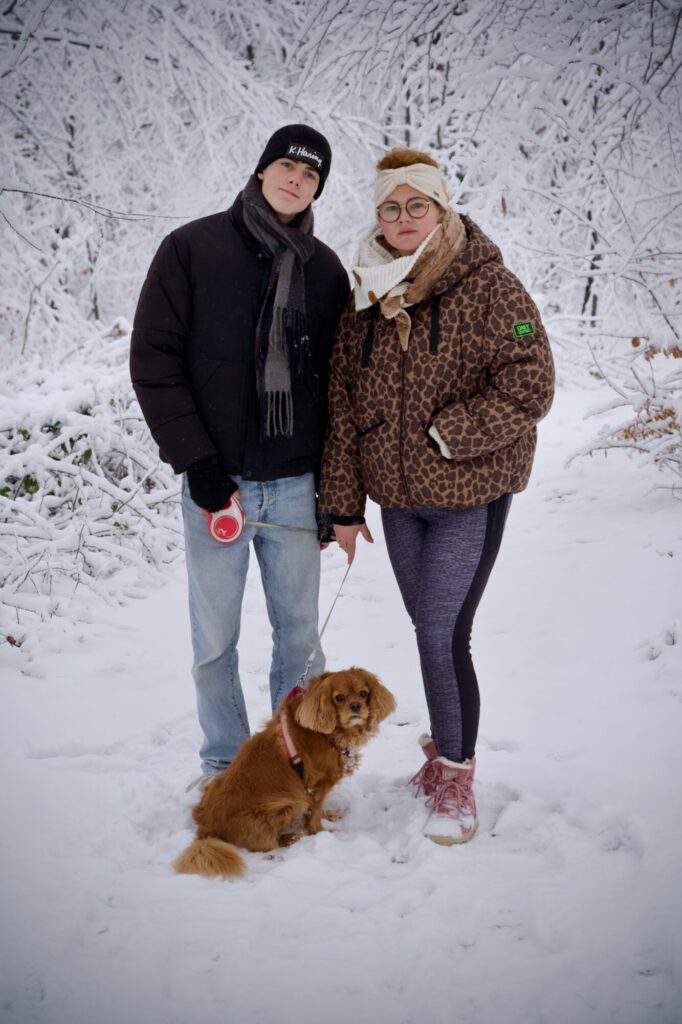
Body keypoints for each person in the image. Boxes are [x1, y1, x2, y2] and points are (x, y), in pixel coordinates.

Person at [318, 147, 554, 844]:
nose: (402, 218)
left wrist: (450, 435)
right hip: (398, 506)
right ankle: (442, 754)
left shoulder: (489, 286)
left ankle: (457, 774)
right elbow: (342, 408)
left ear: (441, 207)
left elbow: (531, 382)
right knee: (430, 634)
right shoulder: (364, 294)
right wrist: (342, 504)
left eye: (416, 203)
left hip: (467, 495)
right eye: (389, 206)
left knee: (442, 632)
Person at [130, 125, 349, 781]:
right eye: (286, 166)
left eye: (309, 176)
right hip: (215, 485)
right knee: (214, 642)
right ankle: (225, 761)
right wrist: (196, 462)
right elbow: (154, 360)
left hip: (293, 486)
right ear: (261, 171)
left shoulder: (327, 271)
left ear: (316, 189)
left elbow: (342, 391)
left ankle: (296, 757)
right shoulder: (191, 249)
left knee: (301, 642)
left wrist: (333, 495)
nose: (295, 180)